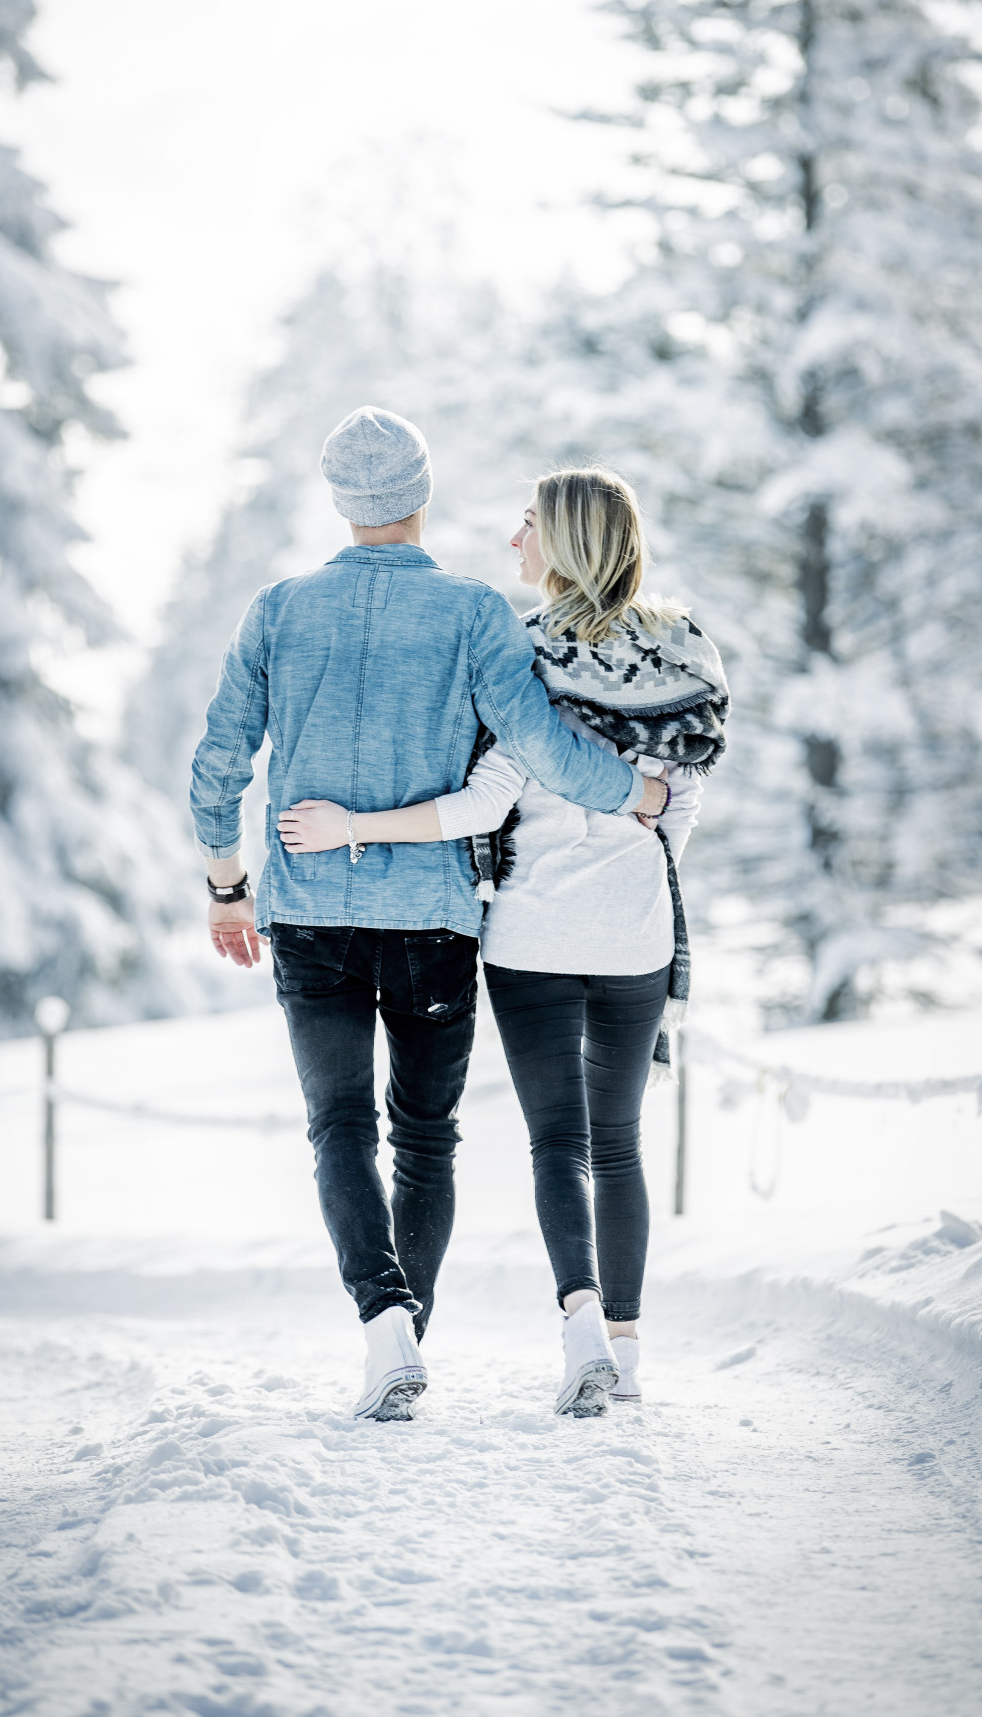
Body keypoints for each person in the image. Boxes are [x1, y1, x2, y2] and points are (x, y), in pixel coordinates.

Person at [191, 412, 670, 1423]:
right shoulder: (470, 611)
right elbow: (537, 744)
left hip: (312, 913)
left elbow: (218, 763)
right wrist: (630, 794)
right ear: (422, 494)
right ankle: (408, 1337)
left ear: (339, 503)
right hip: (434, 919)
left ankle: (384, 1329)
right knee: (424, 1140)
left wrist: (226, 885)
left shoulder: (278, 609)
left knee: (335, 1129)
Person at [279, 465, 728, 1416]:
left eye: (526, 524)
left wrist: (353, 827)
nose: (512, 539)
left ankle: (577, 1327)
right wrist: (636, 858)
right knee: (619, 1142)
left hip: (529, 933)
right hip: (636, 933)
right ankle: (627, 1352)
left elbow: (482, 802)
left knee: (556, 1142)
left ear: (561, 542)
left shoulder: (527, 657)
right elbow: (681, 800)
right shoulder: (682, 649)